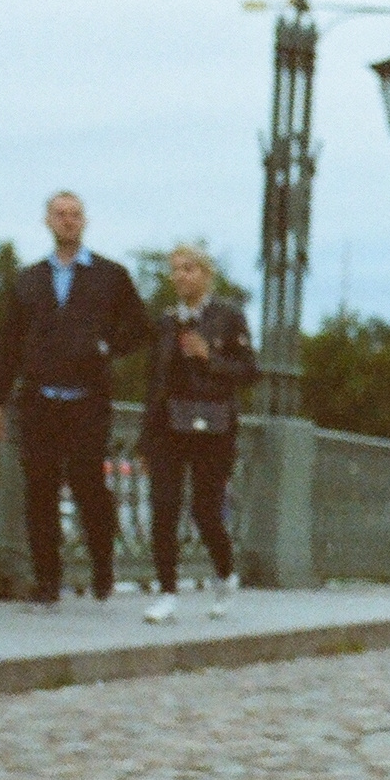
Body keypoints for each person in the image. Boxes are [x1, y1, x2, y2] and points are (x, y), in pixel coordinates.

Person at [0, 192, 152, 605]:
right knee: (40, 491)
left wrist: (105, 346)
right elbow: (8, 343)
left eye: (75, 214)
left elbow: (140, 327)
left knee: (88, 486)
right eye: (60, 214)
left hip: (86, 401)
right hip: (39, 400)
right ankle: (47, 579)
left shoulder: (109, 275)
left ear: (85, 221)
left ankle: (102, 564)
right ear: (47, 221)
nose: (68, 221)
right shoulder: (30, 279)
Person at [139, 244, 258, 623]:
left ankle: (225, 573)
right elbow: (154, 381)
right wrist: (145, 438)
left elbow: (249, 371)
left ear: (206, 274)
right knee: (163, 507)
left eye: (189, 269)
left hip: (213, 427)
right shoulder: (167, 321)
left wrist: (210, 357)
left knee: (205, 510)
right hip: (169, 425)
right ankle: (167, 593)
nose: (181, 276)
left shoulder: (228, 317)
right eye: (175, 270)